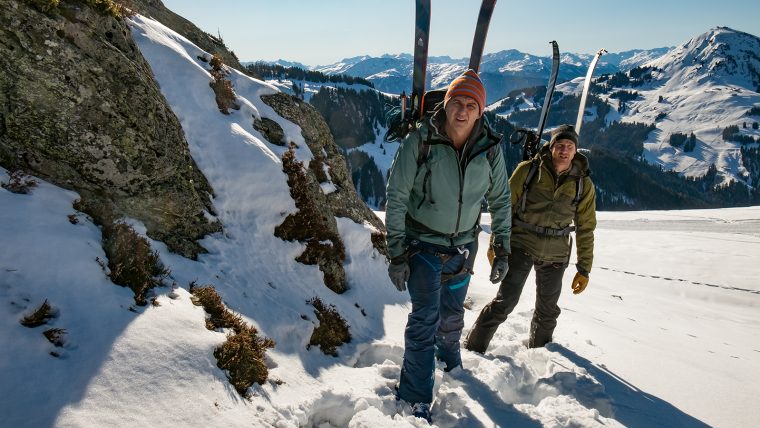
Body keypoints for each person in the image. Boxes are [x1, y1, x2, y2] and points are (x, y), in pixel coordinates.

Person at [385, 69, 512, 421]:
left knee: (452, 313)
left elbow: (501, 199)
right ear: (447, 103)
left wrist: (502, 248)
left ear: (480, 111)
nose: (463, 110)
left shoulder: (490, 149)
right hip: (421, 244)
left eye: (472, 104)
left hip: (464, 247)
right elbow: (396, 197)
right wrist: (395, 252)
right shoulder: (421, 140)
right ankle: (414, 397)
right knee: (425, 317)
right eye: (457, 102)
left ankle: (448, 358)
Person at [464, 124, 596, 353]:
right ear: (551, 146)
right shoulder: (529, 170)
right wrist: (497, 242)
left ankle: (539, 354)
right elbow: (505, 207)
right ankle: (473, 348)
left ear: (576, 151)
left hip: (556, 253)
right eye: (560, 145)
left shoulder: (583, 184)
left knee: (547, 311)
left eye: (569, 146)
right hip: (522, 243)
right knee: (505, 302)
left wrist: (584, 268)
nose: (564, 150)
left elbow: (586, 227)